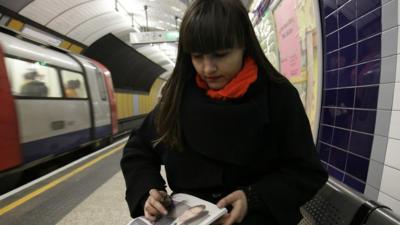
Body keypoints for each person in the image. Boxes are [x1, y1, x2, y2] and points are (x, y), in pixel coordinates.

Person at [121, 0, 328, 224]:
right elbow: (138, 151)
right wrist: (147, 191)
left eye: (220, 54)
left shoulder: (277, 96)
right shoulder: (177, 97)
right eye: (197, 56)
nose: (208, 68)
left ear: (244, 46)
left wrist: (254, 198)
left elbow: (306, 171)